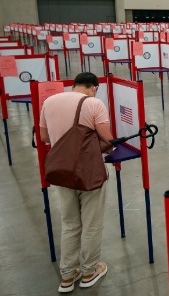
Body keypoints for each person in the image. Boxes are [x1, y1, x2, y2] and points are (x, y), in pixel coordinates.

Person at [40, 72, 113, 293]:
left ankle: (67, 275)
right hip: (90, 172)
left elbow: (43, 137)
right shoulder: (94, 104)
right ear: (94, 88)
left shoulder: (49, 102)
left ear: (73, 86)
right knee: (91, 223)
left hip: (61, 171)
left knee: (70, 223)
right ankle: (90, 271)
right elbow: (107, 141)